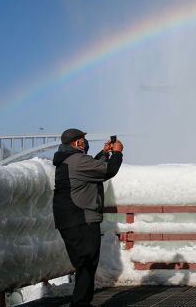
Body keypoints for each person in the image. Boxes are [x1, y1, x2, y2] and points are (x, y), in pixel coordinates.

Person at [52, 128, 124, 306]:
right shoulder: (77, 160)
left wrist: (104, 153)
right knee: (87, 263)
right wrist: (117, 153)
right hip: (81, 218)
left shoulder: (67, 161)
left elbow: (92, 168)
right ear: (77, 143)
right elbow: (107, 171)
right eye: (83, 140)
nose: (85, 142)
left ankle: (81, 302)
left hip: (69, 220)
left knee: (83, 263)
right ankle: (80, 304)